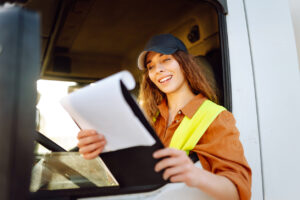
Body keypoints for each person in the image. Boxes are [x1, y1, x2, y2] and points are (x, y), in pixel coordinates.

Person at [77, 34, 251, 200]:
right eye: (150, 66)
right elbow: (136, 176)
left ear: (184, 63)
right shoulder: (149, 118)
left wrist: (194, 173)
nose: (158, 70)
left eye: (166, 59)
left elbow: (237, 193)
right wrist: (104, 150)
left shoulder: (216, 117)